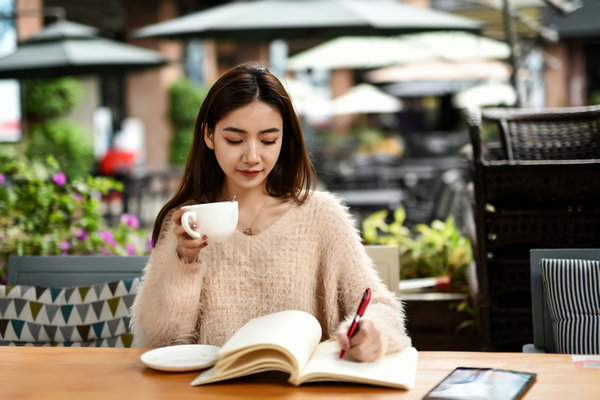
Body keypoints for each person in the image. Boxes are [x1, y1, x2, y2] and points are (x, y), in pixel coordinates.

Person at [130, 65, 411, 362]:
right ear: (209, 136)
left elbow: (380, 305)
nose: (252, 156)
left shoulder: (322, 216)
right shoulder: (187, 221)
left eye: (267, 140)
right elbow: (158, 342)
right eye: (235, 140)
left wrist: (372, 331)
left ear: (284, 139)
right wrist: (184, 262)